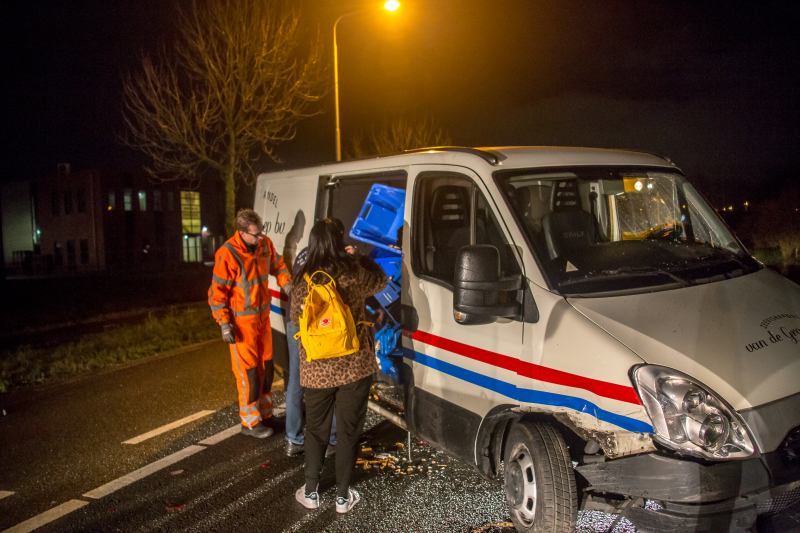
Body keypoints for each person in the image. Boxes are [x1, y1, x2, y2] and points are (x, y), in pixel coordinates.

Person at [291, 218, 388, 514]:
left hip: (315, 369)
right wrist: (356, 255)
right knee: (347, 431)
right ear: (338, 240)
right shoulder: (353, 272)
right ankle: (343, 496)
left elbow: (296, 318)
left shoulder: (303, 278)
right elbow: (382, 280)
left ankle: (310, 491)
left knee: (316, 430)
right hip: (353, 366)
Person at [208, 208, 291, 437]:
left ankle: (266, 414)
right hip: (241, 325)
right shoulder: (227, 254)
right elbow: (217, 293)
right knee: (248, 373)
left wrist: (287, 284)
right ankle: (250, 422)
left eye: (261, 232)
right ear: (242, 232)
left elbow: (279, 266)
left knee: (266, 368)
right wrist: (224, 323)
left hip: (263, 319)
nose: (260, 237)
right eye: (255, 234)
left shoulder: (264, 245)